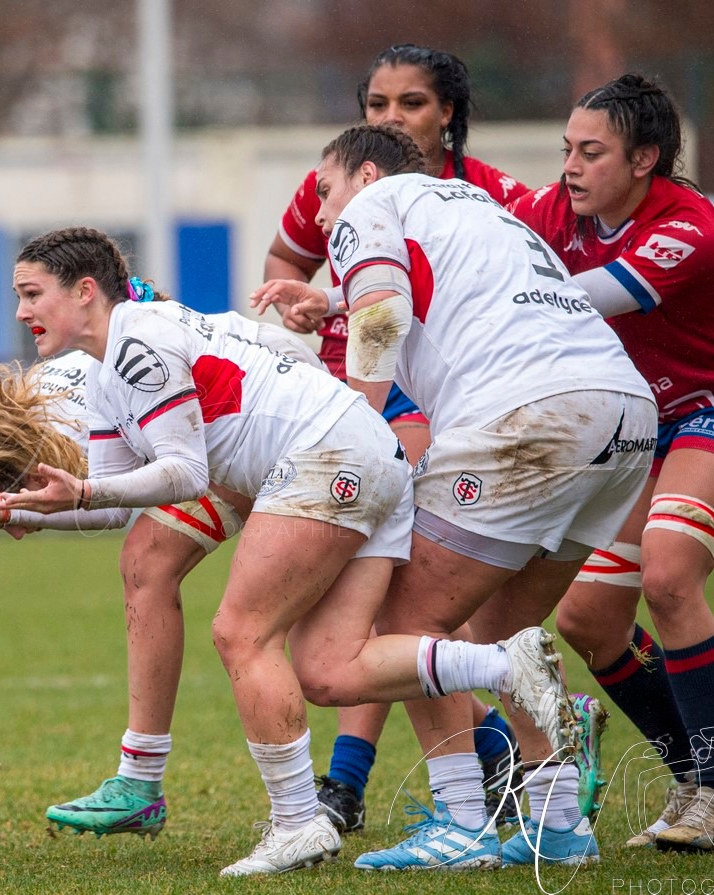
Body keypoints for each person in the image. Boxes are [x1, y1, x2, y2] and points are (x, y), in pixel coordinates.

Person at [0, 226, 577, 877]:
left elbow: (183, 473)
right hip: (356, 448)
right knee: (330, 668)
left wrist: (76, 491)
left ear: (82, 291)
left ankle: (298, 822)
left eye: (30, 293)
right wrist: (12, 509)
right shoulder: (117, 363)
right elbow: (111, 498)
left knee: (241, 630)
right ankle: (502, 671)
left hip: (324, 454)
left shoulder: (136, 343)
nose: (21, 311)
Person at [253, 123, 656, 869]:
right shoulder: (471, 205)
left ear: (365, 173)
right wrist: (330, 304)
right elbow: (437, 300)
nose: (318, 210)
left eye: (323, 188)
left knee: (408, 619)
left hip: (530, 416)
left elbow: (381, 313)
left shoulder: (369, 207)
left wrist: (348, 427)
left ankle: (461, 820)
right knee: (501, 636)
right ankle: (558, 823)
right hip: (623, 416)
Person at [510, 73, 714, 852]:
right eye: (565, 148)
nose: (568, 166)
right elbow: (477, 256)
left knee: (666, 575)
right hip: (642, 426)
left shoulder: (685, 225)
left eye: (589, 152)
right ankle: (694, 786)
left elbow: (570, 299)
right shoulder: (552, 210)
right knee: (588, 620)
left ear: (645, 159)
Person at [264, 42, 532, 834]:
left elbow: (416, 308)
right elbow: (295, 262)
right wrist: (312, 307)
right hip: (374, 394)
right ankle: (496, 756)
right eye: (377, 106)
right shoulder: (342, 184)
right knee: (384, 599)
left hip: (440, 409)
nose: (390, 119)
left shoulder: (486, 193)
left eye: (409, 104)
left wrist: (351, 407)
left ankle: (379, 782)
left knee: (390, 605)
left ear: (447, 112)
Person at [0, 306, 315, 840]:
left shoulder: (72, 428)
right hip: (259, 399)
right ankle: (143, 780)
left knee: (312, 631)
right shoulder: (48, 394)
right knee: (153, 564)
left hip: (276, 414)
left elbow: (113, 501)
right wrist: (15, 510)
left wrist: (16, 511)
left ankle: (147, 783)